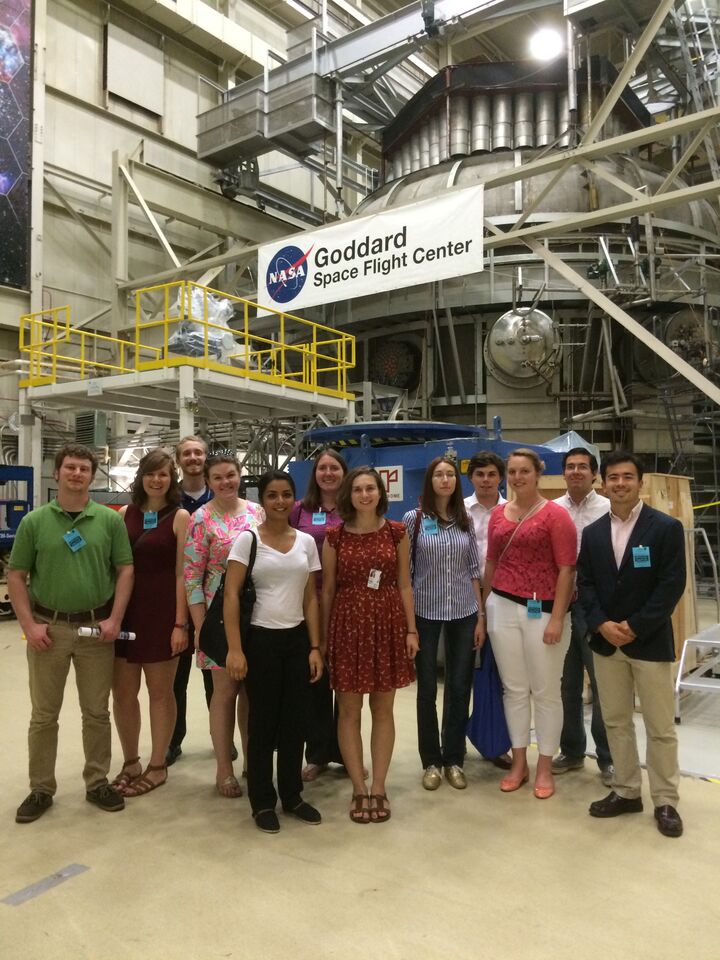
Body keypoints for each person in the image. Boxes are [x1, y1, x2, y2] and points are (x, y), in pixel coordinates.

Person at [8, 443, 134, 823]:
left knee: (96, 712)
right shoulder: (34, 522)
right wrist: (29, 624)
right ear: (58, 472)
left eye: (83, 469)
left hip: (96, 630)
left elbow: (125, 570)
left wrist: (114, 619)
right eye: (70, 468)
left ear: (91, 476)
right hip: (50, 629)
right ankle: (41, 788)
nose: (76, 474)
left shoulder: (109, 521)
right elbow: (15, 575)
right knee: (44, 715)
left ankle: (97, 781)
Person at [577, 452, 686, 838]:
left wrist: (635, 626)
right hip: (606, 644)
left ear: (640, 482)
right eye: (612, 477)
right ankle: (626, 790)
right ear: (602, 484)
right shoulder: (591, 534)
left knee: (659, 727)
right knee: (616, 722)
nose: (619, 483)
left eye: (627, 477)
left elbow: (671, 585)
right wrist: (602, 624)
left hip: (650, 642)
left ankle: (665, 799)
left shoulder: (665, 528)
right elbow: (585, 584)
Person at [224, 471, 324, 834]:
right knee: (263, 724)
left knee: (295, 721)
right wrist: (235, 649)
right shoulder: (248, 541)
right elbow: (232, 596)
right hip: (261, 642)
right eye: (272, 495)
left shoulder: (306, 542)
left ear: (293, 498)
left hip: (297, 641)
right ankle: (262, 801)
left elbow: (310, 597)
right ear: (262, 500)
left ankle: (292, 796)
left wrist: (315, 646)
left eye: (286, 495)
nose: (280, 501)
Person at [322, 467, 418, 824]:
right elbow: (328, 589)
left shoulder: (397, 532)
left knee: (383, 708)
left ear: (381, 493)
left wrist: (411, 630)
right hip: (348, 626)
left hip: (387, 623)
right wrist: (323, 639)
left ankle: (379, 786)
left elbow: (405, 584)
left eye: (371, 489)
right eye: (359, 489)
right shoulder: (335, 537)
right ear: (349, 494)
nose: (365, 495)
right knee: (348, 710)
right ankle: (358, 787)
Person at [480, 448, 576, 799]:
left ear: (537, 474)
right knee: (514, 689)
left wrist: (557, 618)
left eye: (524, 471)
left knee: (546, 692)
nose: (518, 478)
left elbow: (567, 569)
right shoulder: (497, 515)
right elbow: (491, 563)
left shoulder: (556, 516)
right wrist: (483, 610)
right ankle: (519, 761)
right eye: (513, 472)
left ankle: (545, 766)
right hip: (502, 607)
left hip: (544, 610)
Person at [111, 449, 191, 796]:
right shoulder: (124, 514)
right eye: (150, 474)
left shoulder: (180, 517)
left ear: (172, 479)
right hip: (124, 612)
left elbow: (181, 574)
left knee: (161, 694)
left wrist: (180, 623)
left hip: (161, 615)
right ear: (141, 477)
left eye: (164, 474)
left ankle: (158, 765)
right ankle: (131, 761)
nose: (157, 480)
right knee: (124, 693)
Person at [184, 453, 262, 797]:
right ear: (209, 481)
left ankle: (251, 761)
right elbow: (190, 576)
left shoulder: (256, 513)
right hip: (218, 616)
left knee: (251, 693)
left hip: (256, 615)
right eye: (218, 477)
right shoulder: (201, 519)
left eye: (230, 475)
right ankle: (224, 769)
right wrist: (201, 627)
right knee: (225, 692)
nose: (226, 482)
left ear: (239, 475)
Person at [404, 456, 482, 791]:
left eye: (450, 474)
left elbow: (475, 570)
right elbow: (404, 575)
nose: (445, 479)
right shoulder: (415, 520)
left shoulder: (467, 520)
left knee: (460, 686)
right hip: (425, 614)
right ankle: (431, 761)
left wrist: (481, 616)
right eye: (439, 474)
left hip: (464, 612)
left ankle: (453, 758)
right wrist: (408, 625)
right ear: (430, 480)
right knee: (425, 690)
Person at [552, 447, 613, 785]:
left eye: (583, 467)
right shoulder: (552, 510)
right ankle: (572, 750)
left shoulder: (607, 509)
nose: (576, 471)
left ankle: (608, 757)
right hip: (560, 608)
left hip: (595, 609)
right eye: (570, 466)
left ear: (594, 474)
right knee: (567, 684)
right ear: (563, 473)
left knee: (603, 683)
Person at [289, 448, 347, 782]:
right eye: (322, 468)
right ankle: (318, 753)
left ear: (343, 472)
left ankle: (344, 751)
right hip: (309, 602)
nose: (328, 473)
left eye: (334, 467)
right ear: (315, 475)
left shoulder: (353, 508)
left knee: (347, 681)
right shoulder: (301, 511)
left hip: (346, 602)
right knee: (316, 679)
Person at [166, 435, 215, 766]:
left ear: (205, 457)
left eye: (198, 452)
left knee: (218, 680)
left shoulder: (222, 495)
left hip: (216, 602)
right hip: (179, 602)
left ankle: (221, 738)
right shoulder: (170, 501)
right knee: (175, 679)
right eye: (187, 453)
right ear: (179, 460)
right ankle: (172, 740)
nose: (193, 457)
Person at [463, 450, 512, 770]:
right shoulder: (460, 510)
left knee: (496, 675)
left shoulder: (512, 511)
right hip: (464, 597)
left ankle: (494, 743)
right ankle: (453, 741)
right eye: (479, 474)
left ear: (500, 477)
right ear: (471, 478)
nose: (485, 480)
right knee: (461, 675)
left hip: (504, 598)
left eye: (491, 474)